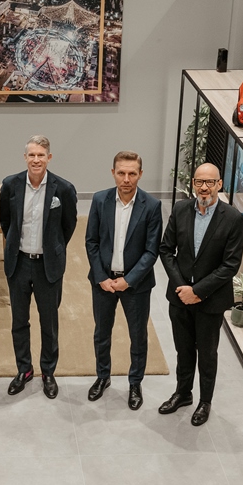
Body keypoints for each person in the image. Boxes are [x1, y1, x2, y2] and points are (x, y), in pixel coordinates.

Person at [158, 162, 243, 426]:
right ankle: (183, 394)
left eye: (209, 182)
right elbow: (166, 250)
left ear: (219, 184)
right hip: (180, 298)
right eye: (199, 182)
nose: (204, 187)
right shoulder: (180, 209)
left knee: (207, 355)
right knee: (183, 350)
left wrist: (197, 291)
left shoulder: (232, 218)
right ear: (193, 184)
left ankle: (205, 401)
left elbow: (230, 265)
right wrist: (182, 288)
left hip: (210, 301)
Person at [0, 135, 77, 398]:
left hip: (48, 266)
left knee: (49, 322)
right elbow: (6, 221)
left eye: (40, 155)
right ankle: (24, 369)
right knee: (19, 321)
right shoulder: (10, 185)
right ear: (25, 157)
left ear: (49, 158)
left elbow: (68, 226)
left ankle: (48, 372)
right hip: (19, 263)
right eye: (31, 155)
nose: (36, 160)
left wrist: (53, 248)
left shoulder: (63, 189)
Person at [85, 151, 162, 410]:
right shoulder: (100, 200)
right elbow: (91, 242)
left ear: (140, 174)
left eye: (132, 173)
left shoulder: (152, 206)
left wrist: (128, 280)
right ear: (113, 173)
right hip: (104, 283)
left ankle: (135, 383)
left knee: (138, 336)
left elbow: (151, 251)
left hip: (135, 285)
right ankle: (102, 377)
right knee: (101, 333)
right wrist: (101, 277)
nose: (126, 179)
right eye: (121, 173)